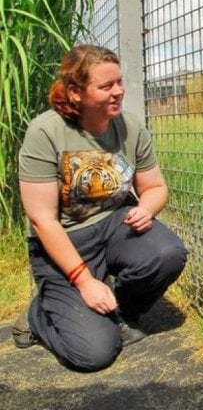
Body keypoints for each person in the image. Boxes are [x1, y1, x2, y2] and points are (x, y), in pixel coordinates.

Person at [12, 44, 187, 372]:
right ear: (76, 93)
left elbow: (155, 188)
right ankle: (41, 314)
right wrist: (83, 280)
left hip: (114, 227)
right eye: (106, 86)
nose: (118, 91)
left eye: (120, 82)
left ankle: (120, 311)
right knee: (94, 355)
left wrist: (148, 208)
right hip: (63, 242)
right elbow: (42, 219)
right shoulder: (46, 132)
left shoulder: (130, 128)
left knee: (167, 253)